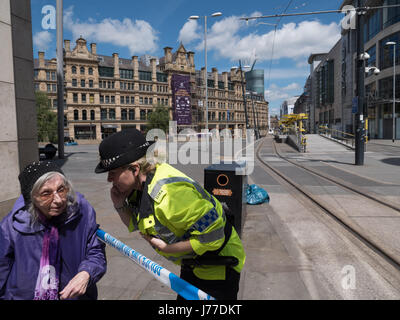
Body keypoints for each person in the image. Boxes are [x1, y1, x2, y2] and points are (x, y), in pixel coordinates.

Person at [95, 129, 245, 300]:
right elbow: (137, 223)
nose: (109, 179)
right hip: (194, 262)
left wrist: (167, 248)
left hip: (219, 266)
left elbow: (214, 235)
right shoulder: (140, 186)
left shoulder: (170, 196)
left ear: (135, 169)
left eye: (112, 173)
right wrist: (120, 205)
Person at [0, 161, 107, 300]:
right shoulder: (11, 225)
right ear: (31, 199)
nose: (58, 200)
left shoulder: (82, 212)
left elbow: (95, 251)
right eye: (46, 193)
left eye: (61, 189)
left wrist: (87, 273)